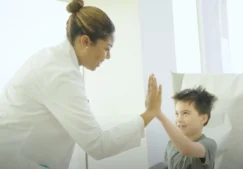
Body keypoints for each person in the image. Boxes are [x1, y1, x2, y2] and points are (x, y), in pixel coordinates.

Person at [0, 0, 162, 169]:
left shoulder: (53, 61)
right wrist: (150, 113)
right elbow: (98, 146)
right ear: (85, 41)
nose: (108, 56)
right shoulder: (61, 75)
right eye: (107, 48)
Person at [150, 86, 218, 169]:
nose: (179, 119)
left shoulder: (209, 145)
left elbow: (186, 149)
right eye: (177, 114)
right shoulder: (171, 144)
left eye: (185, 113)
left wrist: (159, 114)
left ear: (203, 118)